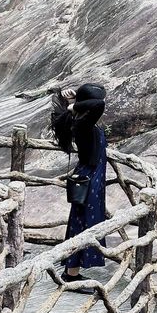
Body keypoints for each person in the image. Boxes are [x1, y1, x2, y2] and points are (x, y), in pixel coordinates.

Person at [51, 83, 107, 285]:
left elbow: (95, 104)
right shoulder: (83, 124)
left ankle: (71, 270)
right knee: (82, 224)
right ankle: (71, 274)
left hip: (93, 178)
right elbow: (98, 104)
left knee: (83, 222)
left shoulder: (83, 121)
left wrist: (74, 102)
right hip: (89, 179)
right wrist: (75, 105)